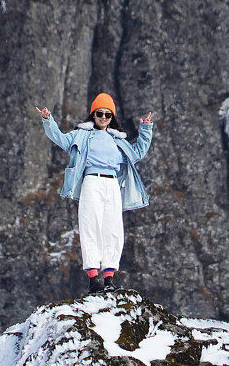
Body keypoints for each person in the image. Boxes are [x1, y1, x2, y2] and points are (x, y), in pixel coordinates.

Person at [35, 93, 154, 294]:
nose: (104, 117)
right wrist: (48, 120)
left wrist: (146, 129)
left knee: (113, 229)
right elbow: (61, 140)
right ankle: (93, 279)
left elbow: (138, 153)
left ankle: (109, 278)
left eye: (108, 114)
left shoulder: (118, 139)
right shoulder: (82, 135)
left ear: (112, 117)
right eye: (100, 113)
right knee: (90, 227)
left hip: (112, 185)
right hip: (91, 181)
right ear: (93, 114)